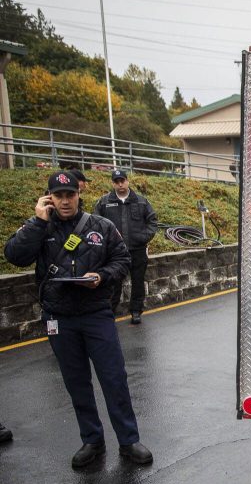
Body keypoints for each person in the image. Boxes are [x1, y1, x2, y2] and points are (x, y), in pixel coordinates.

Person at [4, 171, 152, 468]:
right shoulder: (40, 228)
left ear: (78, 195)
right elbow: (15, 256)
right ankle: (92, 440)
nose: (65, 201)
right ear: (48, 198)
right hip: (59, 318)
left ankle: (128, 440)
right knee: (76, 382)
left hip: (96, 313)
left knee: (113, 378)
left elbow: (122, 260)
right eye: (58, 196)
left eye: (70, 195)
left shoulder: (101, 225)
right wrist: (37, 221)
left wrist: (102, 276)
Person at [93, 169, 158, 324]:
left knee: (137, 282)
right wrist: (106, 244)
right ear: (112, 183)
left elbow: (152, 222)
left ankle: (136, 311)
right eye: (116, 181)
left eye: (122, 181)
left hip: (138, 250)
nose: (120, 184)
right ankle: (109, 312)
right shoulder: (104, 202)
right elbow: (96, 224)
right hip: (114, 253)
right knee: (113, 283)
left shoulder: (142, 201)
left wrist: (143, 238)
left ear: (128, 181)